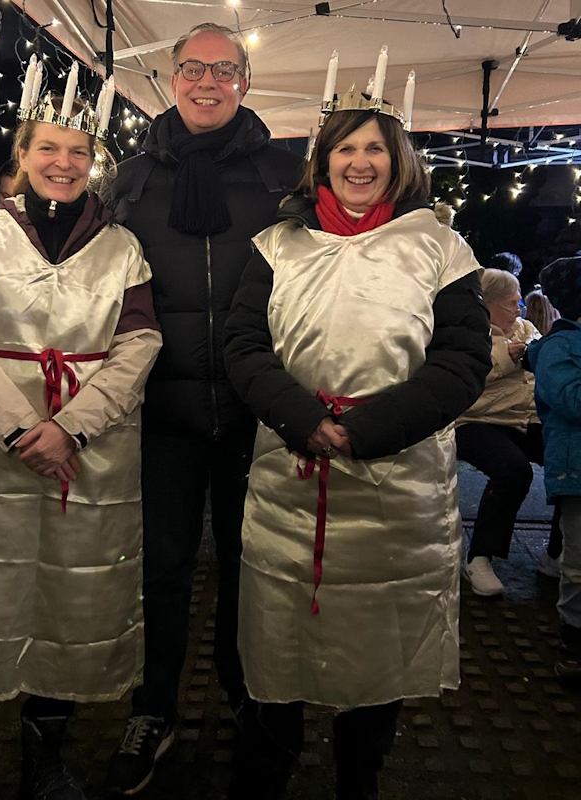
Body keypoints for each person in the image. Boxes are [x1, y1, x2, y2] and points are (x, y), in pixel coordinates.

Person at [222, 99, 491, 799]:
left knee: (374, 652)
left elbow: (462, 360)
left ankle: (358, 781)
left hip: (396, 489)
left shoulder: (438, 246)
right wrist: (303, 419)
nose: (360, 163)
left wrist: (366, 431)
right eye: (346, 150)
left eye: (375, 149)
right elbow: (245, 347)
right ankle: (264, 775)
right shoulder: (275, 245)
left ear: (397, 161)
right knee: (278, 647)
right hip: (290, 475)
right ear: (323, 161)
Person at [0, 89, 162, 800]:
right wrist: (24, 429)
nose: (64, 162)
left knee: (70, 609)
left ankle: (45, 759)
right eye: (48, 148)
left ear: (95, 162)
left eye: (79, 151)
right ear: (22, 157)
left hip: (90, 456)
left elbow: (139, 342)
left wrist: (73, 425)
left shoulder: (123, 248)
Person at [104, 23, 302, 794]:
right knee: (161, 569)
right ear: (172, 79)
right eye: (193, 68)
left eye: (224, 69)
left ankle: (252, 700)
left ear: (245, 82)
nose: (207, 81)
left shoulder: (288, 177)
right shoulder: (128, 179)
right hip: (161, 412)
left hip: (262, 408)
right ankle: (152, 706)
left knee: (256, 570)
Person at [456, 269, 544, 596]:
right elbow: (464, 377)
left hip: (526, 418)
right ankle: (479, 557)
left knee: (571, 454)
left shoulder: (526, 328)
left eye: (519, 302)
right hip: (475, 421)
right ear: (487, 305)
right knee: (514, 470)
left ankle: (558, 551)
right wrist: (506, 357)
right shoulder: (466, 331)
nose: (518, 310)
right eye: (511, 304)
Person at [528, 256, 581, 680]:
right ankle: (573, 641)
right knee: (579, 560)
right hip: (575, 471)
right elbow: (571, 401)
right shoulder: (557, 348)